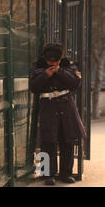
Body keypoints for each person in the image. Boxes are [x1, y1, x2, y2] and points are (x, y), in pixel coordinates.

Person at [30, 43, 86, 185]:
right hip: (48, 106)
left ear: (61, 59)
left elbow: (75, 83)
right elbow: (34, 87)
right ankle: (47, 174)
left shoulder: (68, 65)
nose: (53, 63)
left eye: (56, 61)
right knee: (47, 141)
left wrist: (60, 71)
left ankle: (66, 173)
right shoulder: (38, 67)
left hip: (66, 105)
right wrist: (45, 75)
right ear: (45, 58)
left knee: (68, 140)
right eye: (50, 61)